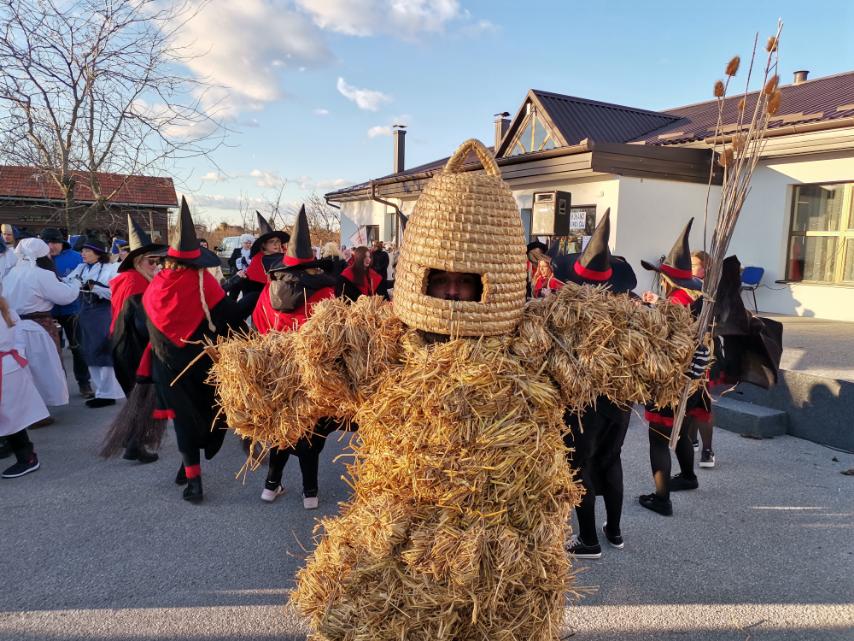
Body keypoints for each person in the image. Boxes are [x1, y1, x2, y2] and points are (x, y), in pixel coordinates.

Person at [207, 139, 699, 640]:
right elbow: (279, 378)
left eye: (468, 282)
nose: (453, 293)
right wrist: (239, 372)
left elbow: (638, 351)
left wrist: (690, 355)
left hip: (506, 561)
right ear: (421, 277)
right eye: (441, 280)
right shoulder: (381, 339)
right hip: (394, 550)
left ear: (497, 281)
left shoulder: (537, 338)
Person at [143, 198, 254, 503]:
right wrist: (255, 295)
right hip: (201, 364)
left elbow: (147, 327)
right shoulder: (203, 283)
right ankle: (193, 478)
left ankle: (189, 474)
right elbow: (229, 317)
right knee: (204, 416)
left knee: (182, 420)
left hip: (166, 367)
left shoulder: (154, 287)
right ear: (196, 262)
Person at [551, 209, 638, 559]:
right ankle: (614, 532)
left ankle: (588, 540)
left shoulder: (566, 314)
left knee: (580, 464)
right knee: (611, 459)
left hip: (582, 401)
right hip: (621, 400)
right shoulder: (631, 315)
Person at [258, 206, 338, 508]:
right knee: (311, 431)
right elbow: (331, 335)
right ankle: (310, 494)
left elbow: (260, 326)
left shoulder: (269, 290)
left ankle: (269, 487)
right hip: (311, 372)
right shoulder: (325, 291)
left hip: (277, 371)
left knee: (283, 429)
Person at [638, 219, 710, 516]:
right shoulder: (699, 299)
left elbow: (660, 342)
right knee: (680, 431)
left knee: (659, 438)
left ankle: (662, 498)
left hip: (672, 381)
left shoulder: (674, 305)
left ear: (668, 279)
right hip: (695, 380)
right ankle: (689, 477)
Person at [104, 215, 166, 464]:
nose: (157, 265)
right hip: (133, 347)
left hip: (122, 343)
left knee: (136, 398)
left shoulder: (130, 279)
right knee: (142, 398)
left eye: (158, 260)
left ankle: (130, 438)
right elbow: (141, 322)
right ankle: (134, 445)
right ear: (138, 261)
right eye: (152, 261)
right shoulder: (135, 283)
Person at [3, 238, 78, 408]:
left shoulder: (11, 273)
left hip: (15, 327)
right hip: (39, 327)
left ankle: (29, 407)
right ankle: (42, 406)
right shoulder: (41, 274)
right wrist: (75, 284)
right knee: (44, 367)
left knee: (26, 367)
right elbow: (64, 297)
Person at [66, 239, 125, 408]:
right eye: (82, 251)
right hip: (85, 314)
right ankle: (101, 391)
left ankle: (109, 393)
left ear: (98, 254)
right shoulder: (81, 267)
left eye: (87, 251)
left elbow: (116, 293)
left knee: (102, 352)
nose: (83, 254)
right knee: (89, 352)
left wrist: (96, 288)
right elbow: (69, 282)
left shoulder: (111, 269)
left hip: (101, 314)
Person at [0, 289, 50, 479]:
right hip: (9, 366)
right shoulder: (7, 310)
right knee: (11, 415)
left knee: (12, 416)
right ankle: (24, 455)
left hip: (5, 369)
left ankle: (27, 458)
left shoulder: (6, 311)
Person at [40, 228, 93, 399]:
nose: (51, 247)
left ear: (62, 243)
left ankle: (84, 383)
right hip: (48, 311)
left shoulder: (75, 258)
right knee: (52, 352)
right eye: (47, 243)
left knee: (78, 348)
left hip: (72, 310)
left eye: (54, 243)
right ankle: (58, 388)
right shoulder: (38, 259)